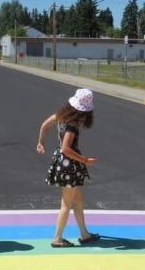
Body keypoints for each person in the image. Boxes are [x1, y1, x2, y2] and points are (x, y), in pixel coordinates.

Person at [37, 88, 100, 248]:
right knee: (66, 203)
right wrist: (85, 160)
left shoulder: (61, 116)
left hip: (62, 162)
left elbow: (44, 125)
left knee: (78, 200)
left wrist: (41, 142)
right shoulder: (72, 125)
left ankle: (84, 234)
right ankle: (57, 238)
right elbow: (66, 148)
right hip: (69, 165)